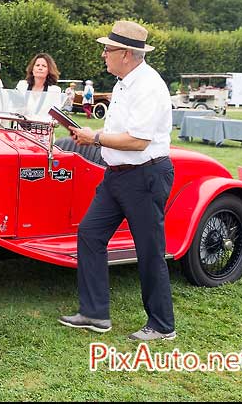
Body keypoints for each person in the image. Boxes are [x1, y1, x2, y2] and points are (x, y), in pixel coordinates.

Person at [59, 20, 175, 341]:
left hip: (145, 176)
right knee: (90, 233)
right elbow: (120, 135)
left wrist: (94, 137)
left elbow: (138, 141)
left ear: (126, 54)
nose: (103, 56)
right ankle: (94, 313)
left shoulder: (149, 86)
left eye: (108, 50)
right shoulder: (125, 81)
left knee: (150, 250)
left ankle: (162, 325)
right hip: (117, 176)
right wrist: (91, 137)